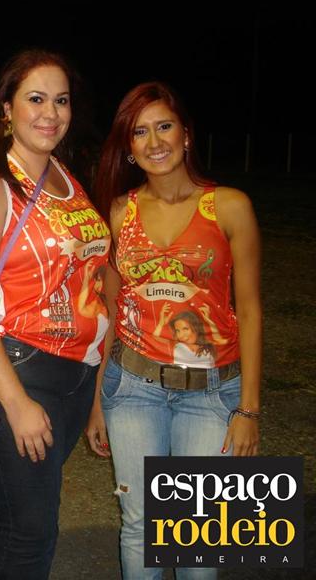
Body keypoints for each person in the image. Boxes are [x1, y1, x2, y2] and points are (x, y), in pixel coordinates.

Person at [86, 81, 262, 580]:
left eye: (164, 126)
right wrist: (98, 401)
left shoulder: (228, 206)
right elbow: (112, 308)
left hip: (212, 393)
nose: (154, 141)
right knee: (140, 526)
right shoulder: (119, 212)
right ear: (129, 147)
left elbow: (250, 310)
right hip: (133, 389)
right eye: (139, 132)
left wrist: (248, 409)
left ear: (186, 134)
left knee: (197, 538)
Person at [0, 49, 111, 579]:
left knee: (13, 511)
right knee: (33, 529)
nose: (50, 113)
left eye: (61, 100)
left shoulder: (65, 175)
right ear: (6, 109)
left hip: (75, 374)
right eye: (36, 99)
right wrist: (16, 404)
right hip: (18, 372)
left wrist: (95, 392)